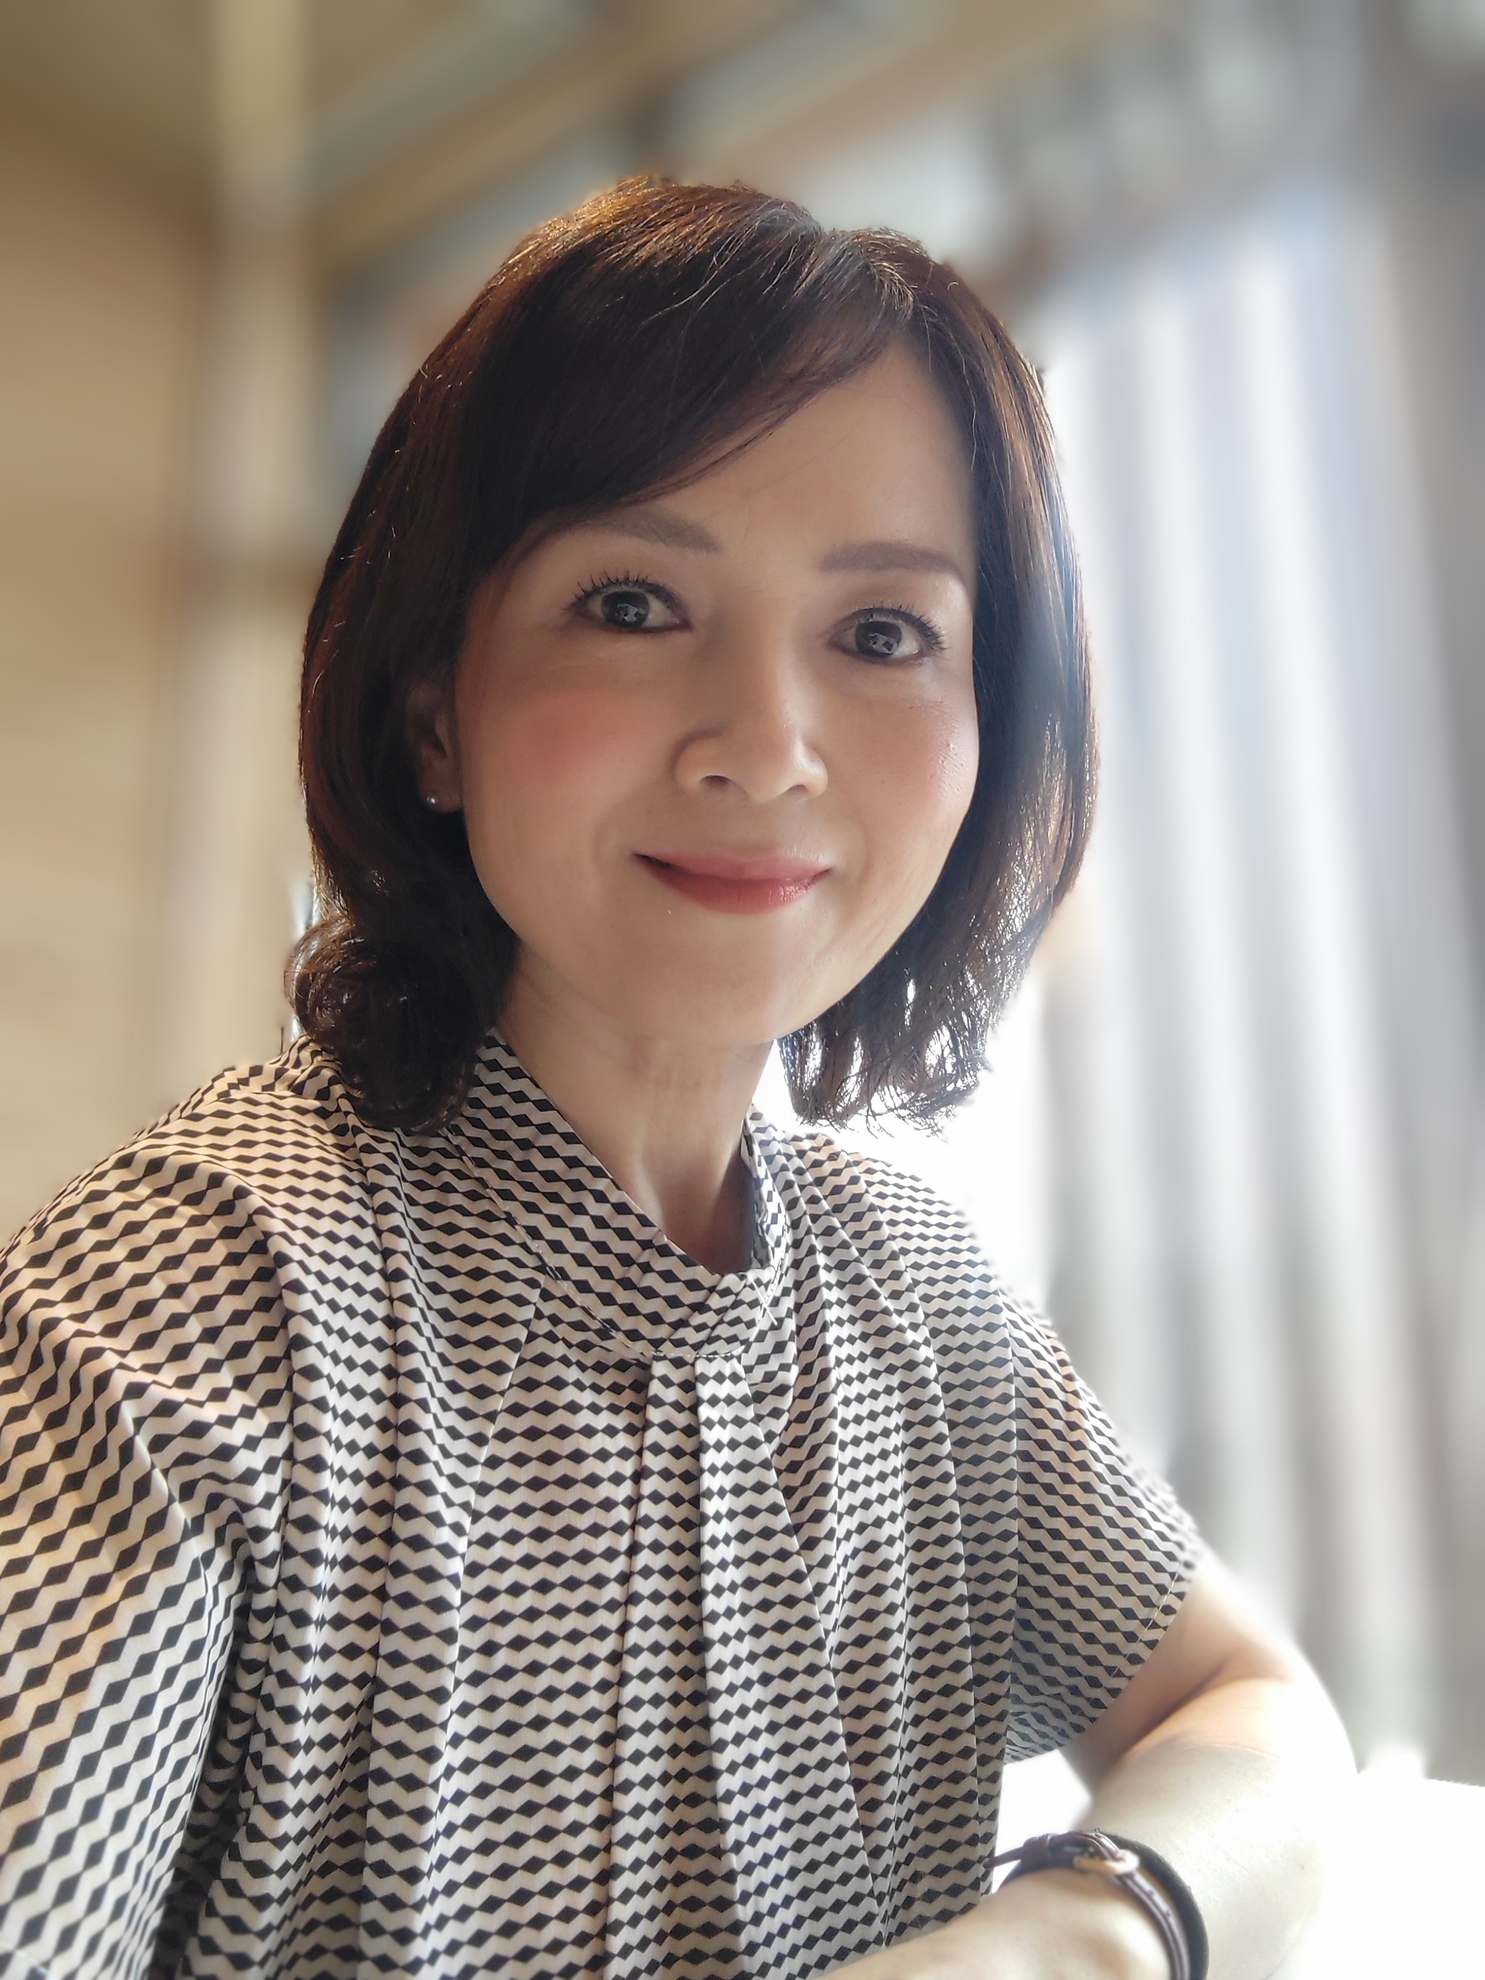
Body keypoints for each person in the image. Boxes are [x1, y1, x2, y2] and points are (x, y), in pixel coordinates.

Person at [0, 179, 1349, 1980]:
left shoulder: (917, 1299)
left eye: (883, 633)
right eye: (631, 602)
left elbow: (1254, 1711)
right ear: (433, 712)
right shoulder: (203, 1286)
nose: (766, 748)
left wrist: (1065, 1942)